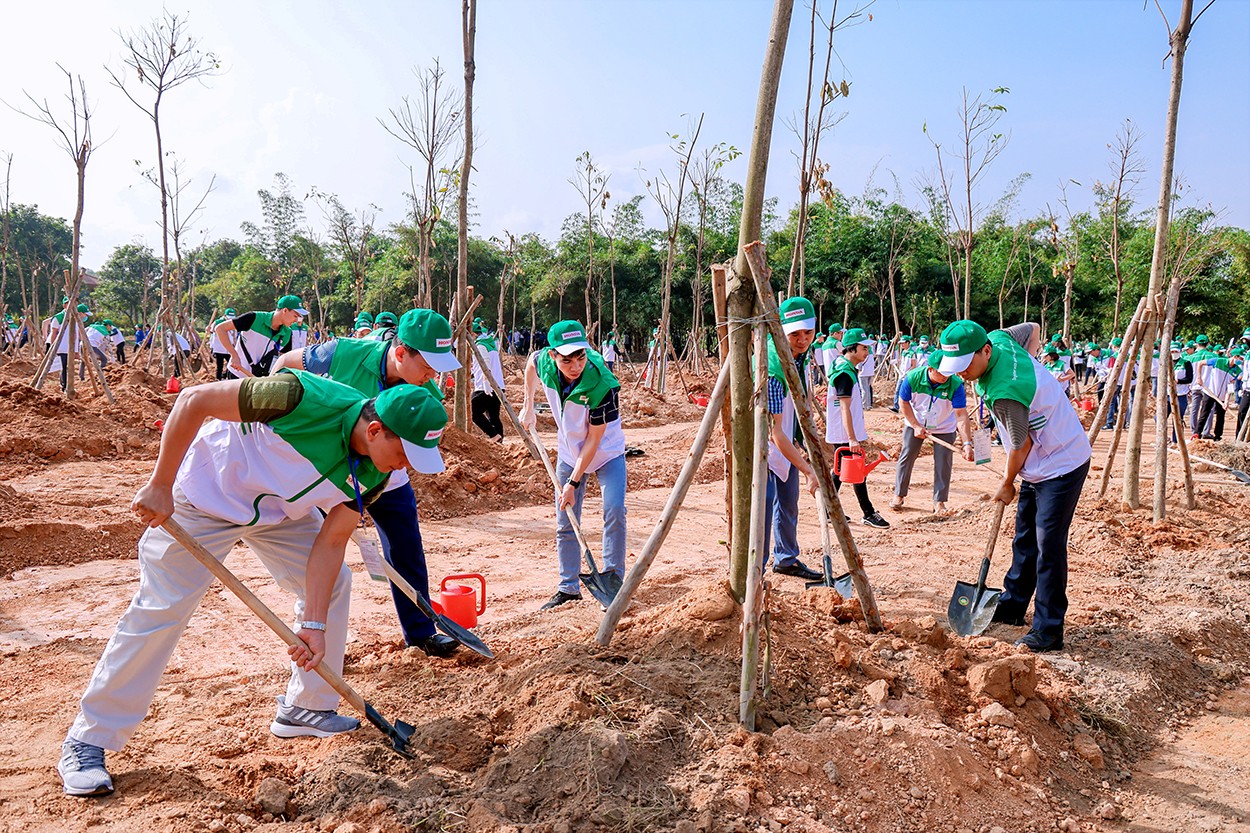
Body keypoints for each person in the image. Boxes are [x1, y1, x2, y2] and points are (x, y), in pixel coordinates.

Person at [56, 369, 449, 797]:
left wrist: (313, 626)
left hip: (279, 514)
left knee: (334, 585)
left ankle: (307, 708)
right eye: (406, 453)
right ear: (375, 430)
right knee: (162, 608)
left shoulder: (378, 472)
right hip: (205, 497)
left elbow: (332, 541)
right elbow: (194, 400)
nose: (407, 466)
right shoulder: (298, 396)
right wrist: (160, 484)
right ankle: (88, 740)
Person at [272, 307, 463, 656]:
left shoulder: (426, 392)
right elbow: (286, 362)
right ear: (401, 352)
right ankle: (320, 638)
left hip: (383, 475)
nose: (432, 374)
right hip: (329, 472)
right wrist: (274, 417)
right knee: (322, 555)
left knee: (406, 550)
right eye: (427, 365)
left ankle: (421, 632)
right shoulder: (345, 353)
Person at [938, 319, 1091, 652]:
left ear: (985, 351)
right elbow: (1032, 328)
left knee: (1048, 545)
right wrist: (1032, 364)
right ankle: (1013, 604)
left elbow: (1020, 446)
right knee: (1025, 538)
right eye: (955, 367)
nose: (961, 374)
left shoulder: (1007, 391)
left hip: (1062, 462)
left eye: (965, 365)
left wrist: (1007, 483)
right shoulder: (1000, 339)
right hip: (1036, 465)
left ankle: (1049, 629)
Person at [520, 320, 626, 610]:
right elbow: (530, 363)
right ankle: (568, 588)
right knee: (565, 520)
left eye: (581, 355)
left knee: (614, 510)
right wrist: (529, 405)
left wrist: (574, 482)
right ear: (553, 355)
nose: (576, 365)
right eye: (567, 359)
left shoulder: (603, 383)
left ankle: (614, 584)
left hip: (606, 452)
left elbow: (594, 440)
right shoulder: (544, 362)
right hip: (569, 453)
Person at [762, 297, 821, 581]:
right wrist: (808, 470)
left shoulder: (800, 355)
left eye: (807, 333)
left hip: (787, 436)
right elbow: (774, 434)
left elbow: (801, 399)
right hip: (764, 444)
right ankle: (755, 569)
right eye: (794, 334)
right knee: (764, 504)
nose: (802, 340)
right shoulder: (772, 367)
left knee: (788, 500)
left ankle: (786, 558)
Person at [891, 350, 975, 515]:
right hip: (915, 423)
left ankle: (940, 501)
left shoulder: (955, 384)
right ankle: (898, 494)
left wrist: (967, 443)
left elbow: (961, 415)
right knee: (907, 456)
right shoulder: (912, 378)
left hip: (944, 426)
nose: (946, 377)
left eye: (948, 373)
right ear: (930, 369)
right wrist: (915, 425)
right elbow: (903, 403)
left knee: (943, 463)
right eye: (942, 373)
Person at [825, 327, 891, 528]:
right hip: (845, 431)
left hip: (844, 429)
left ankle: (829, 509)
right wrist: (852, 438)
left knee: (841, 471)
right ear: (851, 349)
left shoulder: (845, 367)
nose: (867, 353)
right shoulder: (844, 373)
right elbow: (845, 408)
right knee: (854, 469)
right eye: (864, 348)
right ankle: (868, 512)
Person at [214, 295, 306, 378]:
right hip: (238, 373)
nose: (296, 320)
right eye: (295, 316)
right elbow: (220, 329)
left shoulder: (287, 333)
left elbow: (284, 359)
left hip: (259, 382)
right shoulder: (253, 318)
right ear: (285, 310)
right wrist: (234, 355)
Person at [470, 319, 506, 441]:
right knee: (493, 416)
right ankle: (499, 441)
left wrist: (486, 382)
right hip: (498, 385)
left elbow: (485, 363)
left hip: (486, 386)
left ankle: (494, 435)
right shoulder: (490, 344)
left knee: (473, 411)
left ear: (473, 334)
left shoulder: (480, 345)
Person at [208, 308, 236, 380]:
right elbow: (210, 331)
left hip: (228, 348)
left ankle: (226, 376)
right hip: (219, 348)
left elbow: (234, 335)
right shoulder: (217, 322)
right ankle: (218, 379)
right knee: (219, 365)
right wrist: (208, 329)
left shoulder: (233, 323)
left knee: (231, 364)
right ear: (225, 316)